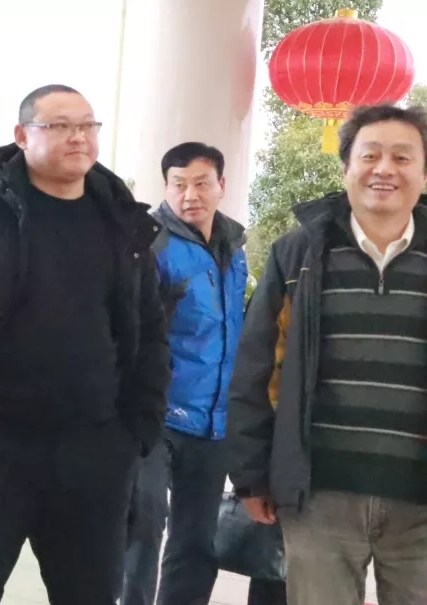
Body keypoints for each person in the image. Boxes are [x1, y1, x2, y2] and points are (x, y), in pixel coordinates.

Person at [0, 84, 170, 605]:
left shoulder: (119, 218)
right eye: (59, 126)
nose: (78, 137)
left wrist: (138, 430)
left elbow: (149, 327)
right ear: (22, 136)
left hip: (95, 448)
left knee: (91, 593)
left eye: (87, 125)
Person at [229, 103, 427, 605]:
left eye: (402, 157)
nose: (384, 169)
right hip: (319, 495)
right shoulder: (298, 254)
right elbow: (256, 367)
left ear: (423, 173)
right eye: (370, 155)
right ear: (346, 168)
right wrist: (251, 473)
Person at [121, 142, 248, 605]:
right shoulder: (149, 245)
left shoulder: (235, 246)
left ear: (221, 185)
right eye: (179, 184)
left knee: (197, 540)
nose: (190, 194)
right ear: (166, 187)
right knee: (144, 522)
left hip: (213, 419)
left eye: (200, 183)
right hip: (156, 412)